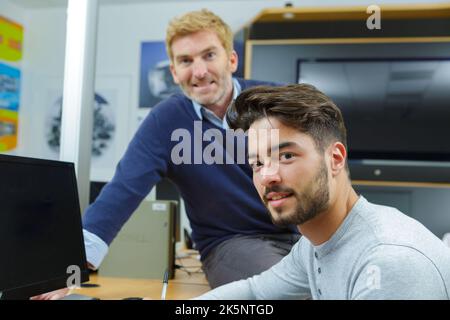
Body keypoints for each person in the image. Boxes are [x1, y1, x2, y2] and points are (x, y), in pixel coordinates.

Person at [81, 9, 299, 289]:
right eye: (186, 61)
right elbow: (123, 188)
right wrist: (71, 265)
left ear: (231, 60)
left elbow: (325, 162)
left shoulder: (276, 101)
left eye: (209, 55)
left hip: (305, 231)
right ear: (174, 72)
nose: (199, 72)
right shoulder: (165, 121)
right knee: (283, 290)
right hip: (231, 244)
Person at [196, 84, 450, 299]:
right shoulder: (317, 243)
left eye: (286, 156)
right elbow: (255, 293)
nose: (267, 176)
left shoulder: (389, 263)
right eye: (258, 163)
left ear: (336, 158)